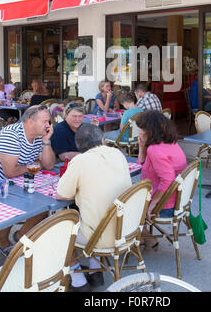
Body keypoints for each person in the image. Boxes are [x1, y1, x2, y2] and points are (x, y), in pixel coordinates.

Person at [56, 124, 132, 292]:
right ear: (103, 140)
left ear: (79, 146)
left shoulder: (80, 161)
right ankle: (96, 270)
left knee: (59, 232)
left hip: (100, 236)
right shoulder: (118, 154)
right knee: (97, 215)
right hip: (126, 228)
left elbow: (62, 194)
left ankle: (77, 280)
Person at [0, 105, 55, 254]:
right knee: (10, 209)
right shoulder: (11, 135)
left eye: (49, 121)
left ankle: (20, 236)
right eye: (45, 121)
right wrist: (34, 165)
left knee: (45, 205)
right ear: (30, 122)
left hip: (18, 184)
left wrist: (46, 141)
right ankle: (4, 241)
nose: (48, 125)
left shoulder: (39, 136)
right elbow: (10, 172)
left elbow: (49, 164)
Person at [135, 110, 187, 248]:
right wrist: (142, 147)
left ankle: (142, 236)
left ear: (151, 130)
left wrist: (152, 205)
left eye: (142, 129)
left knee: (121, 203)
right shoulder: (170, 143)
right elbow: (142, 164)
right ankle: (143, 236)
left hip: (165, 206)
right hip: (178, 201)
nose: (140, 132)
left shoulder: (155, 150)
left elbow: (168, 180)